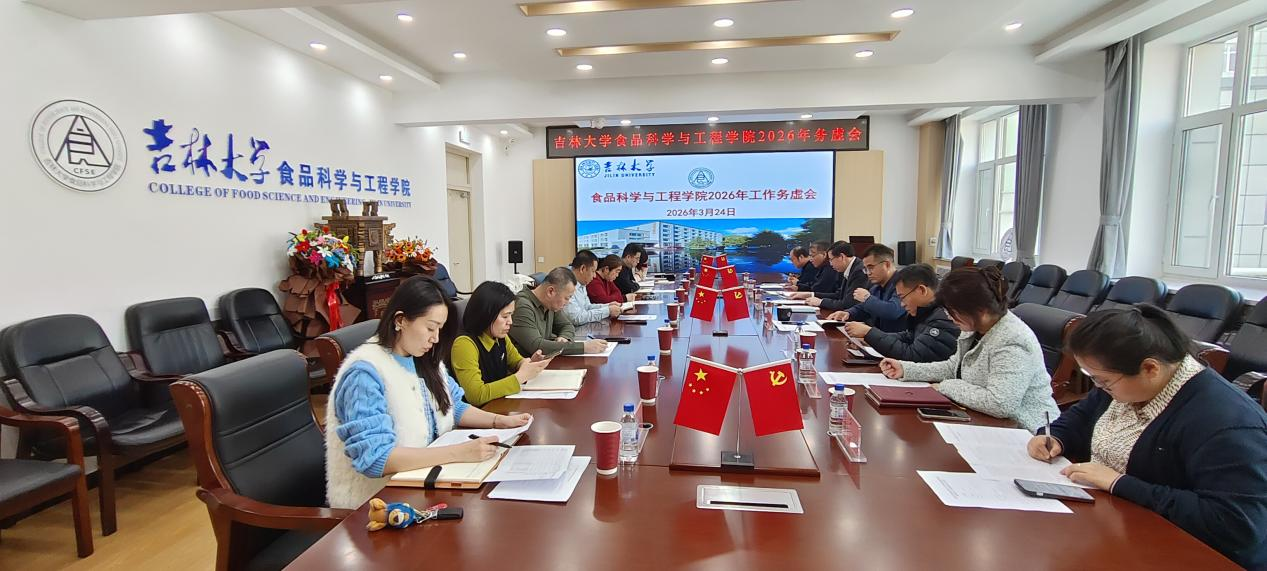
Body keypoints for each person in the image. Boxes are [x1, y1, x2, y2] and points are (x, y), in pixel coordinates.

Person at [1028, 306, 1267, 569]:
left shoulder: (1225, 421)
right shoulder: (1127, 382)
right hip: (1119, 523)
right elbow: (1082, 416)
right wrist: (1055, 437)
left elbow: (1237, 525)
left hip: (1195, 553)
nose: (1099, 388)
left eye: (1104, 381)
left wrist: (1120, 483)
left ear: (1150, 368)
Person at [325, 276, 532, 509]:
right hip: (376, 507)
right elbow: (376, 459)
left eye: (440, 329)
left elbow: (453, 406)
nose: (435, 338)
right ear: (400, 320)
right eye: (430, 328)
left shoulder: (422, 357)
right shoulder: (364, 373)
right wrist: (458, 453)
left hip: (424, 486)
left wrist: (499, 422)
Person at [877, 266, 1059, 431]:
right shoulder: (974, 327)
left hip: (1027, 432)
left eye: (952, 311)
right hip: (982, 419)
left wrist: (945, 387)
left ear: (980, 310)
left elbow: (1001, 404)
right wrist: (906, 369)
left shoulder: (1012, 340)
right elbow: (953, 367)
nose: (948, 316)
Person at [450, 281, 555, 406]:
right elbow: (476, 395)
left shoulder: (500, 337)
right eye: (505, 316)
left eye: (511, 315)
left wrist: (529, 364)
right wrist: (520, 377)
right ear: (486, 315)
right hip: (482, 411)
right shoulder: (464, 345)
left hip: (500, 404)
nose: (510, 322)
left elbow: (516, 361)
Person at [849, 263, 958, 362]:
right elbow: (909, 337)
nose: (902, 304)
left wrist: (869, 333)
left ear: (921, 290)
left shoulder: (944, 318)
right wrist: (870, 339)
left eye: (902, 297)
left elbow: (913, 355)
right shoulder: (927, 311)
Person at [509, 267, 608, 356]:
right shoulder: (521, 306)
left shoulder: (550, 303)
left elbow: (567, 325)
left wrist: (564, 337)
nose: (567, 303)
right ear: (551, 291)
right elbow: (536, 346)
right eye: (566, 298)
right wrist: (584, 347)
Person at [828, 244, 907, 333]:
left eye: (871, 267)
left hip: (897, 338)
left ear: (887, 265)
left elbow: (893, 311)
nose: (868, 273)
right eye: (865, 269)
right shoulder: (876, 287)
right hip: (880, 337)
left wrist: (867, 298)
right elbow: (864, 308)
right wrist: (848, 313)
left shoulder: (903, 283)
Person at [792, 241, 867, 311]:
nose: (830, 264)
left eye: (831, 259)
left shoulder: (859, 271)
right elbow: (839, 295)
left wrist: (821, 302)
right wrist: (810, 294)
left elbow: (847, 304)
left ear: (841, 257)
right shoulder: (850, 268)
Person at [565, 250, 623, 326]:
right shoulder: (566, 283)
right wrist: (607, 311)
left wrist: (608, 306)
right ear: (582, 269)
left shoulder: (582, 283)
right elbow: (576, 318)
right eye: (593, 271)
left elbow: (587, 307)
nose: (595, 276)